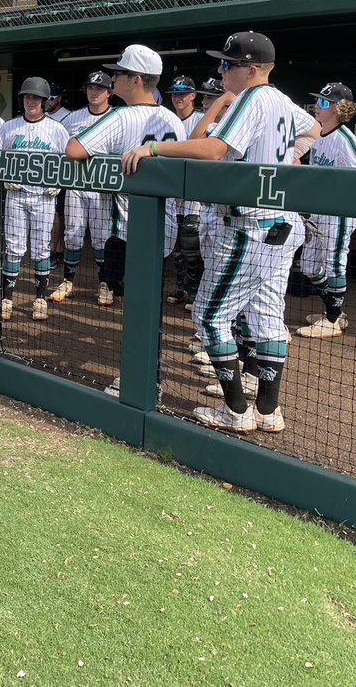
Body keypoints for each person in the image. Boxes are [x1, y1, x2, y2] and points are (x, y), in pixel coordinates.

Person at [121, 32, 320, 434]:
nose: (220, 69)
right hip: (282, 226)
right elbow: (313, 128)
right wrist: (285, 160)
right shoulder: (280, 99)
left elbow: (213, 150)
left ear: (250, 69)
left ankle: (237, 410)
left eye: (227, 64)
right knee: (266, 319)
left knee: (210, 316)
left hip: (250, 225)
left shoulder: (253, 97)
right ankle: (267, 411)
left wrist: (154, 150)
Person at [65, 45, 185, 317]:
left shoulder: (119, 116)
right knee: (149, 297)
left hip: (126, 229)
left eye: (120, 72)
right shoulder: (172, 119)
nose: (114, 77)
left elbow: (74, 150)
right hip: (162, 226)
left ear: (137, 80)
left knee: (131, 300)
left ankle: (139, 355)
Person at [295, 82, 356, 338]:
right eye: (317, 101)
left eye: (322, 103)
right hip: (320, 209)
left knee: (334, 262)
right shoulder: (319, 134)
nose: (316, 107)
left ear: (339, 108)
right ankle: (335, 311)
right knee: (309, 266)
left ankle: (331, 320)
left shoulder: (344, 138)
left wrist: (347, 197)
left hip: (339, 211)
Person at [0, 77, 70, 322]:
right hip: (15, 195)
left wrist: (57, 181)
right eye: (27, 96)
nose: (31, 101)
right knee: (14, 247)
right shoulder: (9, 127)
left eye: (36, 98)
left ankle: (40, 297)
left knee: (41, 248)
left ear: (45, 101)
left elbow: (66, 162)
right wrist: (5, 178)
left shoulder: (57, 129)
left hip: (43, 198)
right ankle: (7, 297)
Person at [53, 72, 115, 304]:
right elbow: (59, 149)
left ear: (109, 92)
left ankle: (105, 283)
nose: (94, 91)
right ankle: (68, 281)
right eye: (91, 87)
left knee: (102, 237)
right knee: (73, 234)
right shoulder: (72, 118)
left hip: (102, 188)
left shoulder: (117, 117)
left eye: (100, 88)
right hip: (76, 185)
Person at [163, 76, 206, 308]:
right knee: (176, 245)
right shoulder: (167, 120)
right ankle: (182, 287)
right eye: (175, 93)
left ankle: (196, 290)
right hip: (171, 192)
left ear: (193, 96)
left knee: (192, 244)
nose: (178, 98)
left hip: (193, 193)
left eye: (183, 93)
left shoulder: (201, 120)